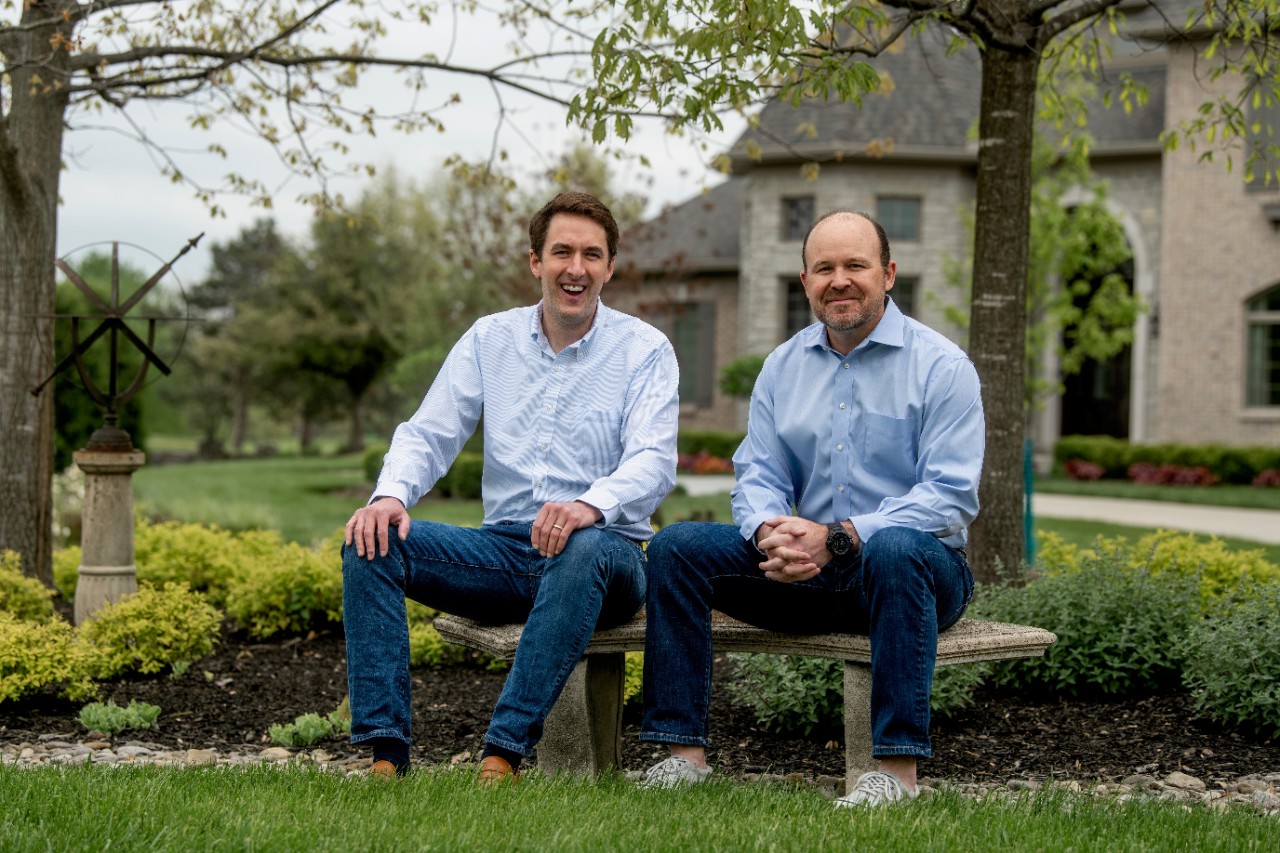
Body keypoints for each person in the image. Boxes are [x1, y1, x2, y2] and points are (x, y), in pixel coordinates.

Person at [638, 210, 984, 807]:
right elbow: (759, 473)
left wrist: (841, 536)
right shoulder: (783, 367)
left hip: (917, 575)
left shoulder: (942, 367)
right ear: (805, 282)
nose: (839, 280)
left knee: (896, 547)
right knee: (676, 548)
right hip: (807, 573)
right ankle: (682, 758)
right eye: (824, 268)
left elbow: (949, 497)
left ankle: (896, 775)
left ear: (889, 274)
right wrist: (771, 533)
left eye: (856, 265)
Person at [343, 191, 680, 782]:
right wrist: (390, 495)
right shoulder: (488, 340)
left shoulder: (645, 350)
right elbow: (429, 433)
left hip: (608, 558)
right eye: (562, 252)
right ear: (535, 262)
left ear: (610, 267)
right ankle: (386, 755)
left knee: (583, 547)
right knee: (371, 541)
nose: (576, 268)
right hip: (504, 553)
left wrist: (587, 506)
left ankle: (502, 755)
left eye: (592, 255)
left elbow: (653, 462)